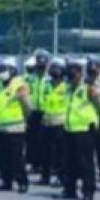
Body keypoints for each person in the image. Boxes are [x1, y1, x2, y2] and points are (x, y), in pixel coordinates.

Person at [60, 58, 100, 200]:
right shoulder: (69, 88)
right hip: (70, 128)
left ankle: (88, 191)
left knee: (86, 163)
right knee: (70, 162)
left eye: (75, 72)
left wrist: (99, 121)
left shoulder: (88, 87)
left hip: (84, 129)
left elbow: (98, 106)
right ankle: (70, 189)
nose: (72, 75)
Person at [0, 57, 31, 193]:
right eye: (1, 69)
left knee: (16, 156)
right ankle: (6, 180)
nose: (2, 72)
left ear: (12, 70)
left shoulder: (19, 85)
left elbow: (27, 107)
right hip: (0, 126)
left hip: (15, 127)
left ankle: (22, 181)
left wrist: (24, 120)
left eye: (4, 69)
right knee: (3, 156)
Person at [38, 57, 68, 187]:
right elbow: (41, 99)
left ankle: (60, 177)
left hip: (60, 122)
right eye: (53, 67)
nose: (55, 71)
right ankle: (45, 176)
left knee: (61, 153)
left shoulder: (66, 86)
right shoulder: (46, 84)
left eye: (58, 68)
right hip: (46, 120)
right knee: (45, 151)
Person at [26, 50, 50, 173]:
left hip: (46, 113)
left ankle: (44, 164)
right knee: (33, 140)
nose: (40, 69)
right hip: (33, 112)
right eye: (38, 66)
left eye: (42, 66)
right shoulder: (31, 79)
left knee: (44, 142)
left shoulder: (50, 80)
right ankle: (34, 163)